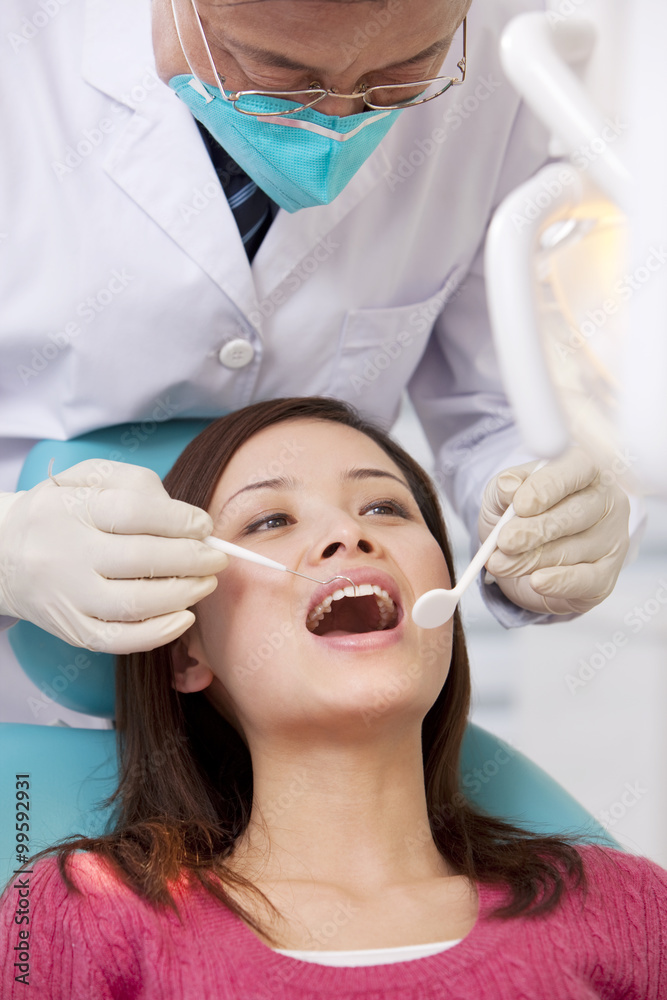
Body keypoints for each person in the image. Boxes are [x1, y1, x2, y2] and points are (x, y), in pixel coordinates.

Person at [0, 0, 630, 701]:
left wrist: (540, 516)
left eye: (401, 75)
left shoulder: (503, 41)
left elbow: (493, 399)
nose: (333, 123)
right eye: (277, 74)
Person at [0, 397, 663, 998]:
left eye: (385, 508)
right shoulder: (80, 919)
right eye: (269, 519)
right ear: (187, 651)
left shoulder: (627, 908)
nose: (350, 536)